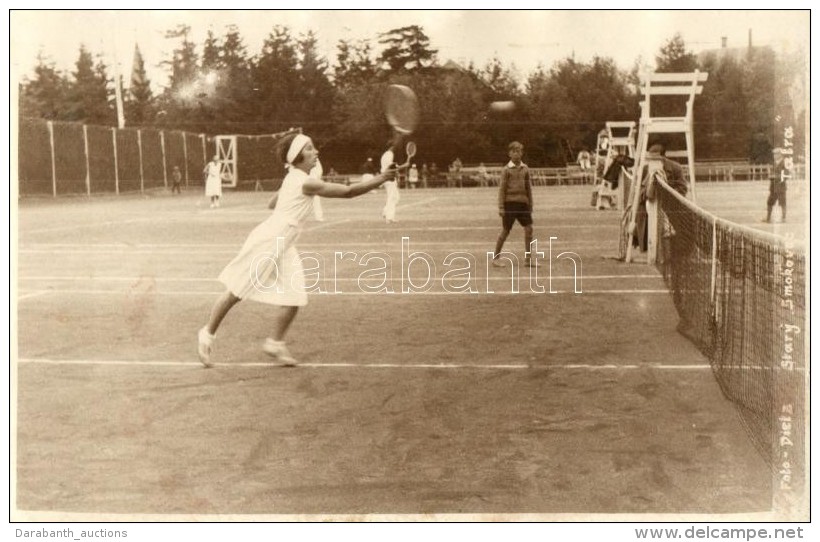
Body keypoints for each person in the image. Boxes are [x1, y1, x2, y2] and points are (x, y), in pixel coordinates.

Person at [196, 133, 397, 367]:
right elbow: (348, 192)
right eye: (310, 149)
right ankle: (206, 334)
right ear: (298, 156)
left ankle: (275, 344)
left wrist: (287, 198)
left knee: (295, 295)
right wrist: (381, 177)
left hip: (285, 243)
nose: (316, 152)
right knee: (236, 292)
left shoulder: (296, 177)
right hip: (269, 240)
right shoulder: (304, 182)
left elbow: (271, 203)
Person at [492, 141, 534, 267]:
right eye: (514, 151)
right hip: (510, 203)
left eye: (519, 151)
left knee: (529, 229)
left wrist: (530, 204)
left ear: (522, 153)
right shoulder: (506, 170)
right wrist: (501, 206)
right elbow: (502, 189)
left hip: (523, 203)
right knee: (506, 230)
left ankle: (528, 259)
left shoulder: (525, 168)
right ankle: (496, 258)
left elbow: (528, 188)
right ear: (509, 153)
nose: (517, 154)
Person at [381, 133, 404, 223]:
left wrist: (399, 166)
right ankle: (389, 218)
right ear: (391, 146)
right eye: (394, 146)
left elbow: (391, 165)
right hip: (389, 178)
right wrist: (402, 166)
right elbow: (391, 166)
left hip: (387, 178)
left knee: (396, 197)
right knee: (391, 197)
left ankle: (385, 212)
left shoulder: (386, 154)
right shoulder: (389, 154)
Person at [763, 147, 787, 223]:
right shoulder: (774, 163)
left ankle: (783, 218)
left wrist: (775, 177)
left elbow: (786, 175)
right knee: (769, 202)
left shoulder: (785, 163)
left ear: (780, 154)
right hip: (773, 187)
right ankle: (768, 218)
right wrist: (771, 176)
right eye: (774, 154)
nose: (774, 155)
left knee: (782, 203)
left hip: (781, 187)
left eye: (776, 154)